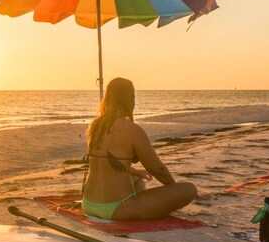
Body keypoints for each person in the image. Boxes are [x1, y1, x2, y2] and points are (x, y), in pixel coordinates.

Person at [82, 78, 197, 220]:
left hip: (88, 204)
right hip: (117, 209)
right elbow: (157, 169)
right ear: (129, 99)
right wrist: (171, 189)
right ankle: (137, 209)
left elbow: (105, 163)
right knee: (189, 189)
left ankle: (136, 204)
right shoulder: (132, 130)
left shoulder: (95, 125)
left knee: (137, 178)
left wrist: (136, 171)